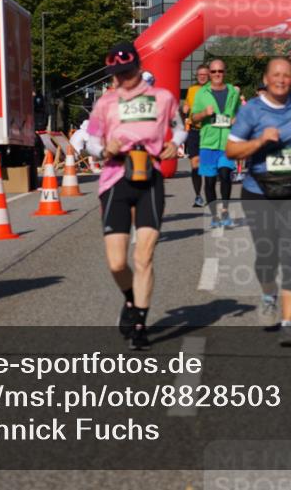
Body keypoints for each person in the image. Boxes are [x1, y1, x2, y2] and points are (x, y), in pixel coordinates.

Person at [84, 42, 185, 351]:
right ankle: (130, 300)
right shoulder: (106, 103)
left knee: (144, 256)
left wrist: (174, 144)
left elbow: (180, 128)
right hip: (115, 178)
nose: (123, 80)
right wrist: (103, 150)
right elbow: (89, 139)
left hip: (149, 177)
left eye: (127, 73)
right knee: (117, 263)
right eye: (117, 74)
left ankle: (140, 322)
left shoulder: (163, 98)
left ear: (138, 68)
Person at [226, 57, 291, 348]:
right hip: (260, 191)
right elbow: (231, 149)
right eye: (276, 75)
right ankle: (269, 295)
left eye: (286, 75)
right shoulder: (251, 111)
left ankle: (289, 324)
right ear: (267, 79)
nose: (281, 79)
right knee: (267, 256)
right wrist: (259, 143)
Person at [191, 58, 240, 228]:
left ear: (224, 72)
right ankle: (214, 215)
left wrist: (237, 119)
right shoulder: (201, 93)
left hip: (227, 142)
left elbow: (240, 114)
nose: (217, 74)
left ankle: (225, 211)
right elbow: (193, 117)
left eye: (220, 71)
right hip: (208, 143)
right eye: (214, 72)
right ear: (210, 74)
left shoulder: (233, 92)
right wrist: (204, 112)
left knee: (226, 175)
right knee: (210, 182)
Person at [182, 64, 210, 207]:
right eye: (200, 74)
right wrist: (185, 108)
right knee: (195, 165)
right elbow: (187, 105)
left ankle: (212, 195)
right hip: (194, 130)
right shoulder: (192, 90)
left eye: (205, 74)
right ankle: (198, 196)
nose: (202, 76)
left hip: (210, 131)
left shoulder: (215, 89)